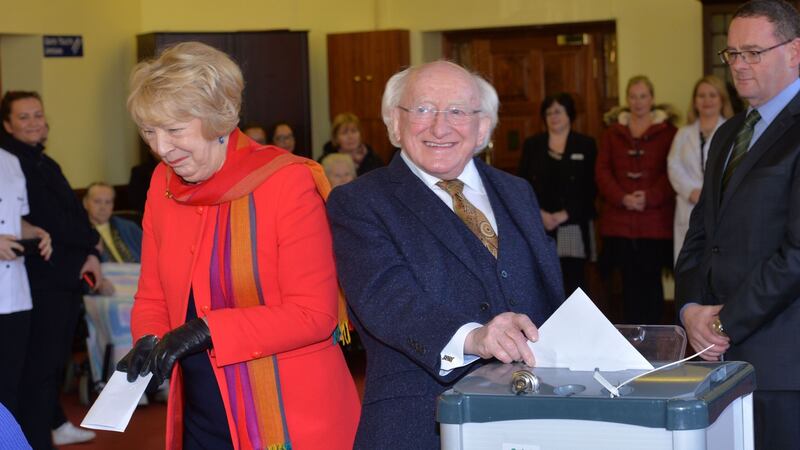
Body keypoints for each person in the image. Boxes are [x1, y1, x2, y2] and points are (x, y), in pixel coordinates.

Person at [116, 41, 360, 450]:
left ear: (218, 119)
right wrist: (149, 337)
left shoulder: (287, 182)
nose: (160, 148)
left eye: (174, 130)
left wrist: (207, 329)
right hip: (200, 406)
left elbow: (314, 313)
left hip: (287, 410)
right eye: (148, 131)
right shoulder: (162, 184)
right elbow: (153, 292)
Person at [327, 60, 564, 448]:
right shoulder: (359, 202)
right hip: (421, 423)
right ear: (394, 123)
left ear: (482, 127)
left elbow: (547, 296)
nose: (440, 127)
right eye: (422, 109)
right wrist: (476, 337)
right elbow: (388, 299)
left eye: (457, 111)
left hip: (532, 420)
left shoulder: (518, 192)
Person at [675, 1, 800, 448]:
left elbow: (796, 255)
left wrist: (726, 323)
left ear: (795, 52)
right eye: (732, 55)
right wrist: (689, 310)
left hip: (783, 361)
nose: (740, 66)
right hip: (716, 357)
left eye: (753, 52)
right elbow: (701, 234)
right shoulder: (729, 133)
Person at [1, 91, 101, 449]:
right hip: (41, 279)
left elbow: (48, 218)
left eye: (37, 115)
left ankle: (42, 431)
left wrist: (90, 248)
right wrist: (89, 243)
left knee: (41, 371)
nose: (32, 122)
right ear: (8, 124)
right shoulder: (18, 160)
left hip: (36, 285)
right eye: (23, 117)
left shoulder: (34, 162)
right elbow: (52, 219)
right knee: (30, 375)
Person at [596, 75, 677, 325]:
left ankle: (656, 342)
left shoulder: (669, 133)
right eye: (633, 96)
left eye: (643, 96)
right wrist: (622, 198)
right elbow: (602, 170)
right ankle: (630, 341)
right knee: (627, 286)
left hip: (655, 223)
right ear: (626, 99)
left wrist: (649, 197)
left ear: (652, 99)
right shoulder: (612, 134)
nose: (638, 101)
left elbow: (673, 171)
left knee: (652, 285)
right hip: (619, 223)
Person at [518, 93, 597, 295]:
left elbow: (592, 187)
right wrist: (539, 214)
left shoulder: (585, 145)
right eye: (549, 112)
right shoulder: (532, 145)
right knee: (543, 284)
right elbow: (521, 186)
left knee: (574, 284)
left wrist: (566, 213)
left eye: (558, 111)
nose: (554, 116)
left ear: (569, 114)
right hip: (539, 223)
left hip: (573, 224)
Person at [0, 146, 51, 423]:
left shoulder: (10, 162)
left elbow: (15, 219)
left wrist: (36, 233)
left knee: (10, 385)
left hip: (16, 294)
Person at [667, 75, 733, 265]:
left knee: (718, 266)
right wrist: (691, 191)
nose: (707, 100)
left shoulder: (733, 132)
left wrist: (709, 194)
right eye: (701, 95)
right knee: (689, 267)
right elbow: (673, 166)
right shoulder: (683, 133)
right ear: (695, 101)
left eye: (712, 95)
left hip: (721, 207)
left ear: (722, 100)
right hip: (689, 206)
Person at [83, 182, 143, 263]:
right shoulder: (78, 232)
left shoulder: (129, 227)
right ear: (85, 203)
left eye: (108, 202)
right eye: (97, 201)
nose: (103, 207)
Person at [319, 113, 384, 175]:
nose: (350, 137)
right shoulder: (324, 162)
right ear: (336, 138)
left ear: (360, 134)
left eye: (354, 131)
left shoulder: (373, 159)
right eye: (344, 133)